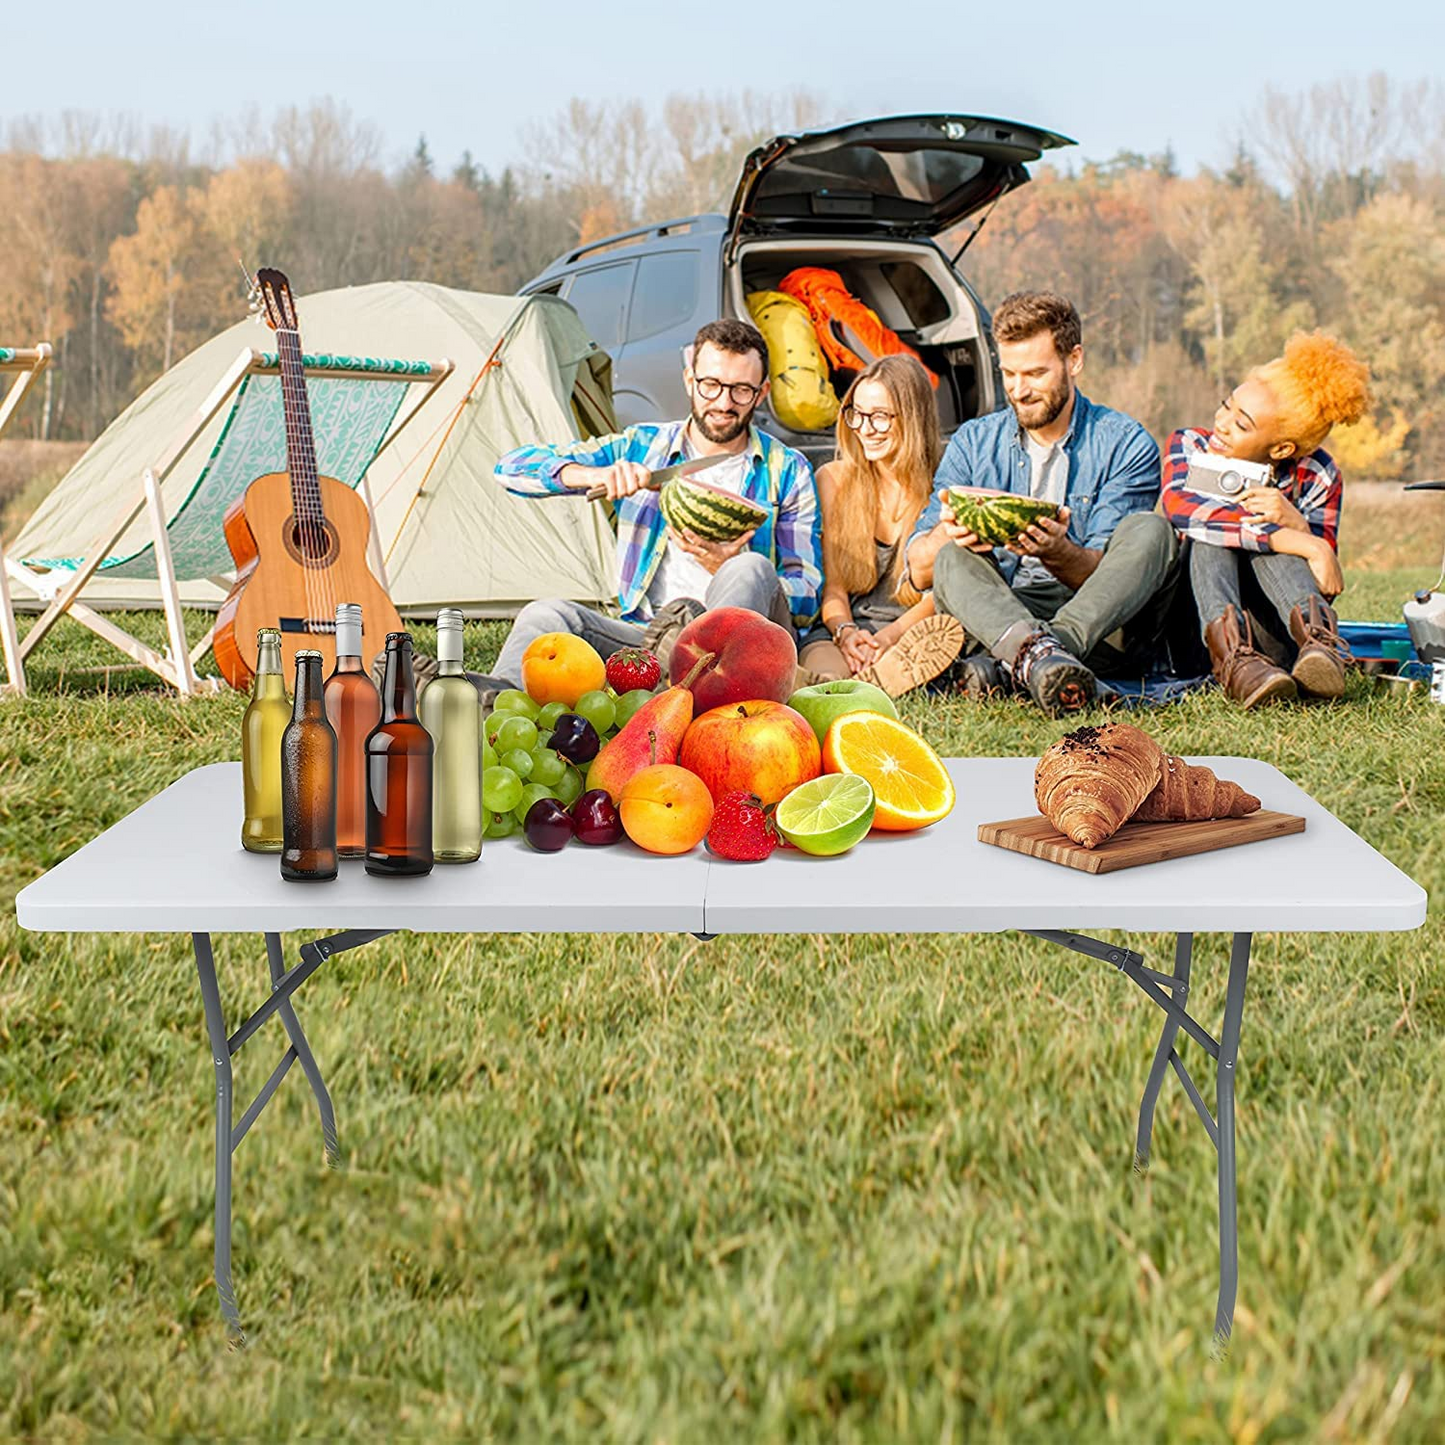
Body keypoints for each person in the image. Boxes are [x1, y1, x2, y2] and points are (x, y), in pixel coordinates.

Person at [468, 319, 821, 703]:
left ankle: (706, 705)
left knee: (748, 568)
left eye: (740, 390)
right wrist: (596, 474)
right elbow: (511, 468)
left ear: (762, 392)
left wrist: (728, 565)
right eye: (711, 385)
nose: (723, 402)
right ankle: (496, 701)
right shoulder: (643, 448)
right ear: (690, 380)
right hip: (650, 637)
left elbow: (807, 593)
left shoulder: (787, 469)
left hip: (738, 643)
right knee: (547, 615)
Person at [904, 292, 1177, 715]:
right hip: (998, 612)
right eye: (1009, 373)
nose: (1019, 390)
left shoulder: (1125, 442)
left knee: (1151, 530)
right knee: (950, 559)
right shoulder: (974, 442)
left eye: (1034, 373)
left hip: (1092, 621)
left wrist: (1056, 551)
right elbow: (919, 570)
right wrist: (949, 534)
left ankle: (1032, 659)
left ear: (1075, 361)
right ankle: (1041, 662)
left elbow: (1103, 576)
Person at [1161, 331, 1370, 708]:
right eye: (1227, 406)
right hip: (1195, 630)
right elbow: (1183, 511)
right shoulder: (1189, 445)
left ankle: (1319, 647)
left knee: (1266, 524)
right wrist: (1305, 543)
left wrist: (1298, 524)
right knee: (1214, 534)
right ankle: (1234, 661)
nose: (1221, 423)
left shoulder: (1318, 473)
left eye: (1241, 424)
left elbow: (1325, 583)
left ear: (1282, 449)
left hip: (1276, 636)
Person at [796, 355, 965, 696]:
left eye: (880, 417)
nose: (864, 428)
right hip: (846, 627)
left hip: (915, 630)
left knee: (938, 638)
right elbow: (834, 591)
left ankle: (875, 682)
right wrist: (846, 633)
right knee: (823, 674)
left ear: (912, 419)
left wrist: (888, 637)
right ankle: (843, 686)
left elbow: (941, 594)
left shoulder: (945, 486)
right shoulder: (834, 479)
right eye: (857, 414)